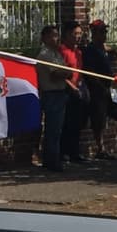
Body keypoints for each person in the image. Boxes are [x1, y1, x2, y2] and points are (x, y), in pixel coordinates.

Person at [82, 19, 117, 161]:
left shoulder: (103, 48)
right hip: (98, 90)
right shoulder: (90, 51)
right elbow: (90, 72)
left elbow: (106, 49)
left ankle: (106, 146)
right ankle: (100, 148)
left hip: (108, 87)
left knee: (113, 114)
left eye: (105, 31)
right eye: (101, 32)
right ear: (94, 33)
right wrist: (101, 87)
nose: (104, 34)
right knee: (99, 118)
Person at [37, 23, 67, 171]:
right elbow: (56, 74)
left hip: (60, 92)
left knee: (58, 129)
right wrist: (66, 73)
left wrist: (66, 72)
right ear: (45, 38)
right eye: (53, 36)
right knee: (52, 129)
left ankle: (54, 158)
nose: (57, 38)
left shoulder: (56, 53)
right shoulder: (45, 54)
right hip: (51, 93)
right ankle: (51, 160)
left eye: (57, 35)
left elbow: (66, 70)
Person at [58, 20, 85, 164]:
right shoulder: (62, 51)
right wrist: (72, 87)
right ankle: (63, 153)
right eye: (75, 34)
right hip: (66, 91)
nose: (78, 37)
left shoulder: (78, 52)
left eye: (80, 33)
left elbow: (79, 72)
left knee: (76, 124)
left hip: (78, 90)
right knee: (65, 124)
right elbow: (59, 73)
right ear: (68, 34)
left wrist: (80, 86)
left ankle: (74, 152)